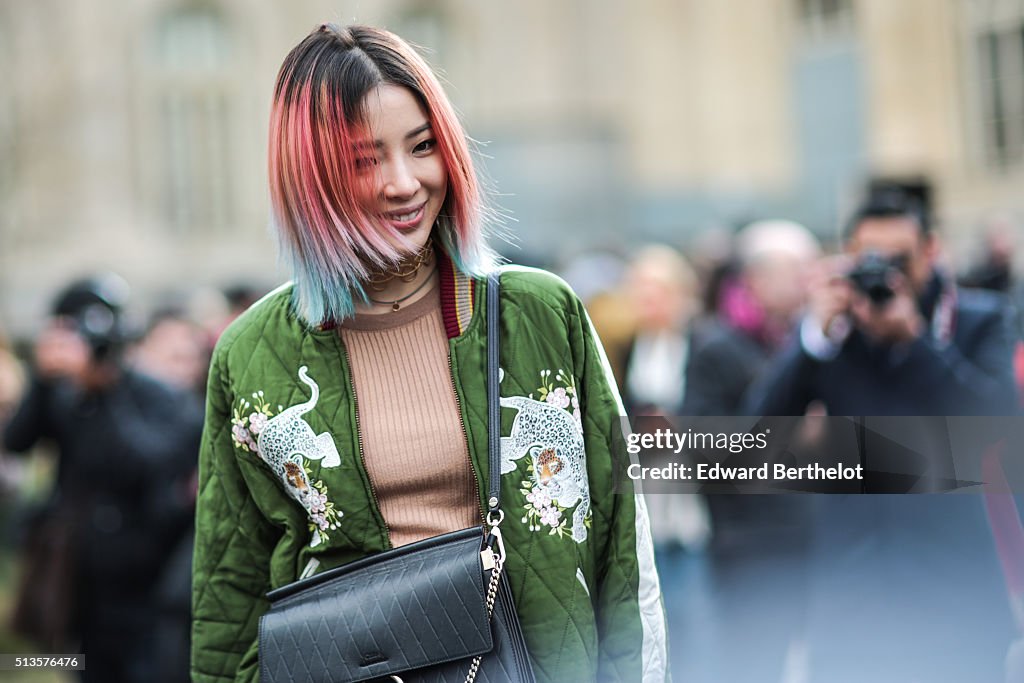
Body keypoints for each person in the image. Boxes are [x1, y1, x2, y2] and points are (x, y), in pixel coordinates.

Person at [190, 24, 667, 683]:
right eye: (365, 160)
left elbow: (624, 549)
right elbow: (228, 595)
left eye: (422, 147)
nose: (405, 182)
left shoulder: (539, 313)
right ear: (311, 179)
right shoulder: (252, 354)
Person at [746, 192, 1020, 682]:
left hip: (957, 589)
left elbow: (995, 425)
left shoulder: (979, 319)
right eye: (871, 259)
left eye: (899, 259)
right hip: (852, 597)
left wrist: (915, 342)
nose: (885, 273)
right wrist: (812, 338)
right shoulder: (835, 331)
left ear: (931, 250)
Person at [2, 275, 203, 683]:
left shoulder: (158, 397)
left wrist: (102, 393)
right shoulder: (63, 393)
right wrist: (43, 380)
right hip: (82, 584)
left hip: (149, 588)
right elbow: (16, 441)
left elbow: (147, 464)